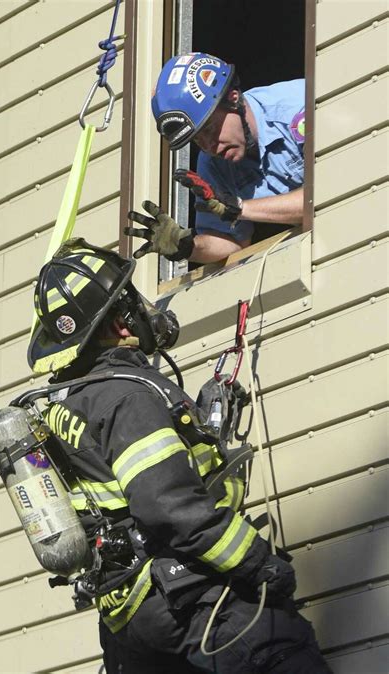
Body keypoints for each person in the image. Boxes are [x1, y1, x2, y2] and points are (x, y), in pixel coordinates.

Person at [27, 238, 331, 674]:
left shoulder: (69, 406)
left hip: (128, 619)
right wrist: (258, 561)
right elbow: (169, 507)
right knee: (284, 657)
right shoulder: (126, 398)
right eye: (130, 301)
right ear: (119, 323)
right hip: (187, 597)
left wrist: (203, 429)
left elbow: (133, 487)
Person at [125, 52, 305, 265]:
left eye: (210, 129)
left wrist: (239, 208)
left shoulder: (299, 105)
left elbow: (328, 192)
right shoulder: (213, 164)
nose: (210, 146)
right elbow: (232, 244)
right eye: (198, 140)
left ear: (233, 98)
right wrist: (187, 246)